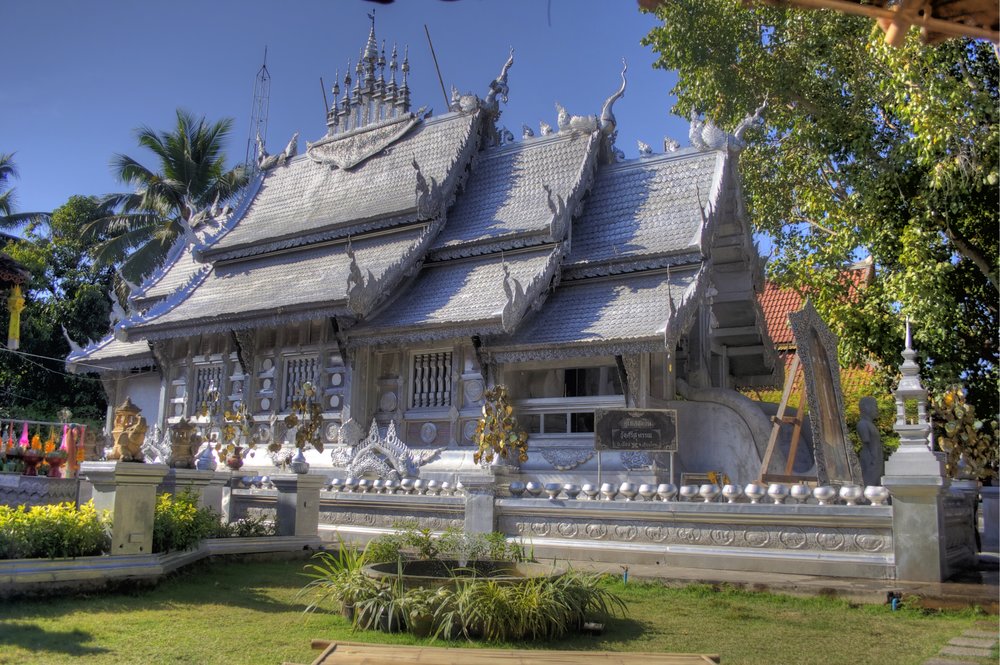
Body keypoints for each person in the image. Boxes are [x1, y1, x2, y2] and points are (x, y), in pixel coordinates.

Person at [857, 396, 884, 486]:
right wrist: (873, 458)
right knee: (869, 483)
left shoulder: (870, 424)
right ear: (866, 407)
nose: (876, 409)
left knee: (877, 482)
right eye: (874, 406)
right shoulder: (862, 424)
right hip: (870, 458)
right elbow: (866, 441)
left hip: (876, 457)